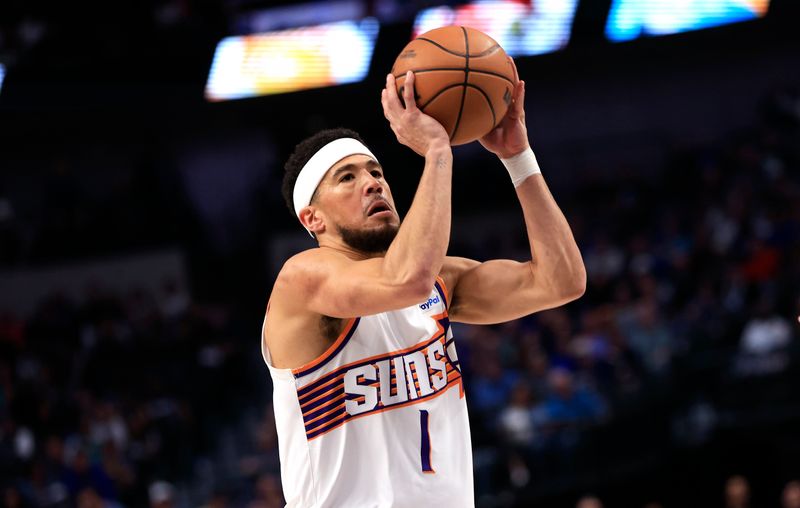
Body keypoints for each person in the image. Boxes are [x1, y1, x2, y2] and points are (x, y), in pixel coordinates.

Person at [262, 62, 585, 507]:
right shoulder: (303, 279)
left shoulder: (438, 280)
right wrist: (437, 150)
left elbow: (561, 280)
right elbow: (407, 279)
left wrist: (517, 158)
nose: (373, 184)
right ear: (312, 218)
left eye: (376, 171)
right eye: (348, 178)